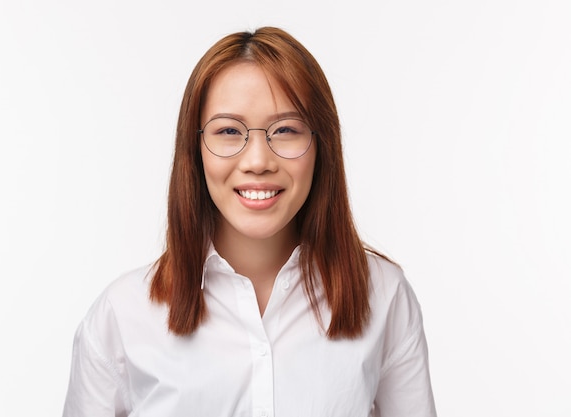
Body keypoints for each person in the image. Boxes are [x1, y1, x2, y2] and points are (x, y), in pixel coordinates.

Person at [62, 26, 437, 417]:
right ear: (195, 149)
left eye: (286, 130)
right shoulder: (123, 314)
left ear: (321, 144)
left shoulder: (384, 296)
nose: (258, 161)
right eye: (228, 131)